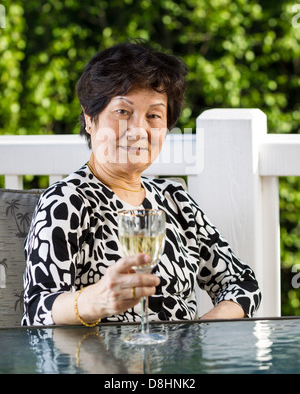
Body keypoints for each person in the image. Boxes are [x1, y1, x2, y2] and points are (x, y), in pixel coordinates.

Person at [22, 40, 261, 326]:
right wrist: (95, 300)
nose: (138, 130)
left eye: (154, 116)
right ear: (90, 118)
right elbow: (38, 309)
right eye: (122, 112)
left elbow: (243, 283)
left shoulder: (176, 200)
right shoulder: (66, 201)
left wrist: (198, 333)